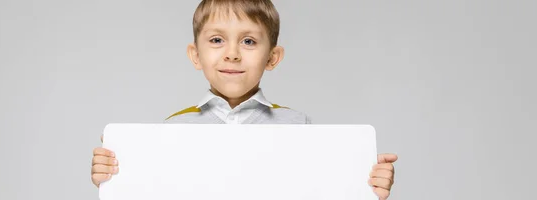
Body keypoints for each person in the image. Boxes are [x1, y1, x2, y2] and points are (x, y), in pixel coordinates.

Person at [91, 0, 398, 199]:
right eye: (216, 40)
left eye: (249, 41)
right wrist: (117, 178)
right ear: (196, 55)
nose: (233, 52)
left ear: (272, 58)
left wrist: (366, 182)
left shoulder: (299, 126)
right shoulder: (173, 128)